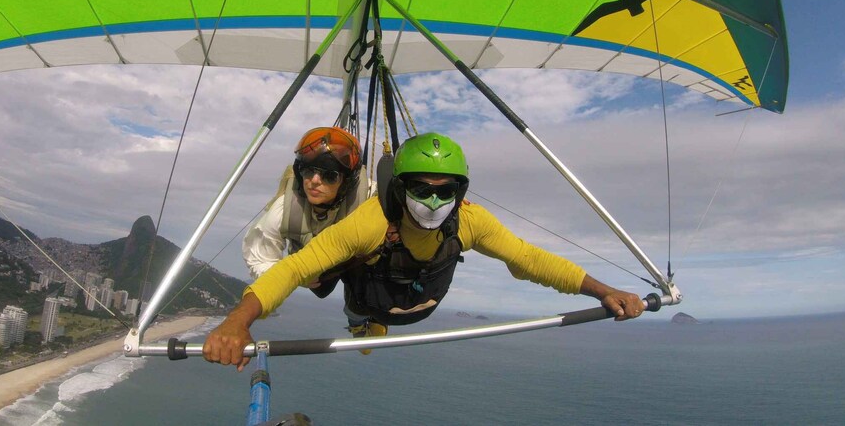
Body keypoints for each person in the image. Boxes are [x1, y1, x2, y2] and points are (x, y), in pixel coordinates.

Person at [208, 132, 644, 369]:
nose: (434, 202)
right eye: (421, 189)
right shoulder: (370, 221)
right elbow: (293, 268)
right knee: (347, 274)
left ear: (460, 191)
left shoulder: (469, 220)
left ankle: (366, 321)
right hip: (374, 300)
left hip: (424, 301)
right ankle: (360, 323)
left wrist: (603, 290)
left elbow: (529, 259)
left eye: (446, 191)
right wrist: (236, 321)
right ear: (400, 188)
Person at [241, 126, 382, 347]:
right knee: (322, 290)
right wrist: (299, 278)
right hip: (316, 270)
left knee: (363, 286)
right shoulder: (284, 209)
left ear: (346, 181)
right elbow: (259, 256)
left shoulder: (368, 197)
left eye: (329, 175)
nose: (314, 181)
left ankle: (358, 318)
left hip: (355, 260)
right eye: (308, 171)